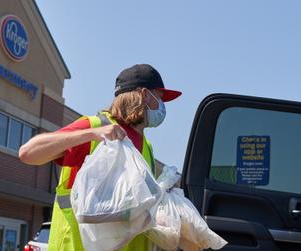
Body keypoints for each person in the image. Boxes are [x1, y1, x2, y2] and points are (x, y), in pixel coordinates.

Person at [19, 64, 181, 251]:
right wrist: (92, 133)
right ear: (145, 94)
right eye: (160, 98)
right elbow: (28, 153)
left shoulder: (147, 147)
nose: (162, 107)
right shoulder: (96, 126)